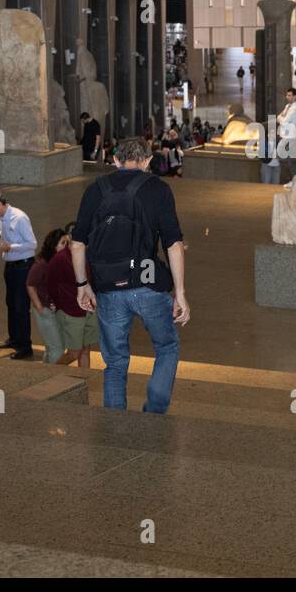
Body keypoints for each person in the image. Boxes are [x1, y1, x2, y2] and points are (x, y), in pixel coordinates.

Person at [70, 137, 189, 413]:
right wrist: (180, 293)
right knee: (167, 346)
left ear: (115, 161)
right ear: (147, 161)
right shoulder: (158, 189)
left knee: (115, 363)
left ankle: (115, 424)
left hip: (107, 285)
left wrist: (82, 285)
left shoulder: (95, 190)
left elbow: (77, 244)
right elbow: (173, 243)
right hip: (147, 280)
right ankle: (155, 411)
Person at [0, 191, 37, 359]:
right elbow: (4, 240)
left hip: (23, 267)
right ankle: (14, 339)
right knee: (11, 303)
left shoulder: (19, 218)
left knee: (21, 307)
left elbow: (32, 244)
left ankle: (25, 346)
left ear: (0, 205)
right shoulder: (1, 218)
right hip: (10, 265)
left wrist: (10, 248)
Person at [46, 228, 100, 367]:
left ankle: (84, 379)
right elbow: (50, 284)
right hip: (72, 311)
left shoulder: (88, 254)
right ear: (70, 237)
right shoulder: (60, 258)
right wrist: (59, 305)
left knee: (86, 350)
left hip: (89, 309)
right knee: (74, 352)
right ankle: (53, 371)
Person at [27, 228, 68, 363]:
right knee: (57, 348)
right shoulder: (42, 264)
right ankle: (54, 377)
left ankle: (45, 370)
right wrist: (39, 306)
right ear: (54, 245)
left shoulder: (62, 261)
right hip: (45, 310)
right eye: (62, 243)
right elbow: (30, 284)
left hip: (56, 308)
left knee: (54, 346)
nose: (66, 247)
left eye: (67, 243)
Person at [277, 87, 296, 182]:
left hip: (290, 137)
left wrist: (280, 119)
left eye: (289, 95)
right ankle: (293, 180)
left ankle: (295, 180)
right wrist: (281, 118)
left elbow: (284, 121)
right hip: (285, 135)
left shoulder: (295, 108)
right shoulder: (288, 106)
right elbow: (280, 116)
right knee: (289, 160)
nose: (287, 97)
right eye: (287, 95)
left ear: (295, 97)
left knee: (291, 161)